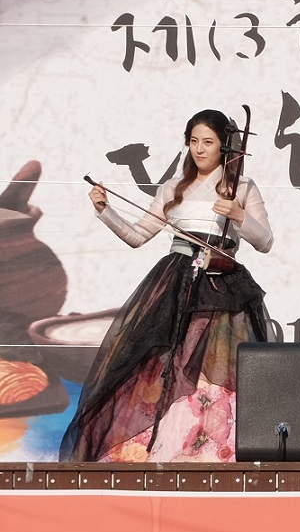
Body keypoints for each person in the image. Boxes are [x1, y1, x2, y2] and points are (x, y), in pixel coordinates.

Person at [61, 109, 275, 462]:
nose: (199, 150)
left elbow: (265, 241)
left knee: (215, 369)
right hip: (176, 280)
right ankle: (161, 447)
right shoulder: (173, 188)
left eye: (208, 142)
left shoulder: (243, 187)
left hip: (222, 286)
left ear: (225, 146)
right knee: (162, 365)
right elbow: (137, 236)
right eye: (193, 142)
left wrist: (239, 216)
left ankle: (213, 450)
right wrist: (105, 210)